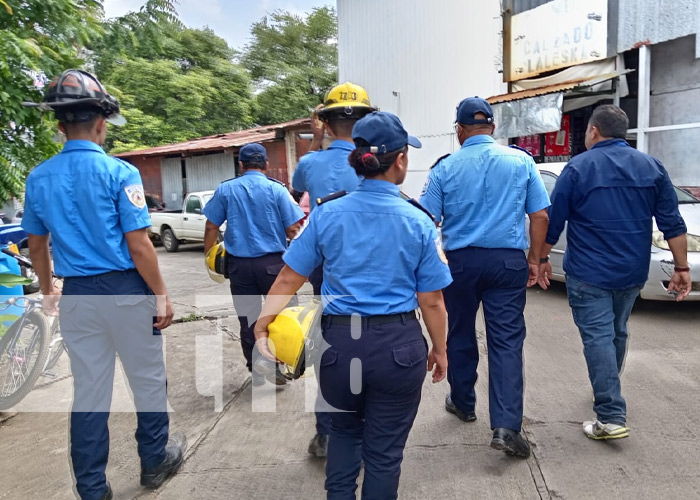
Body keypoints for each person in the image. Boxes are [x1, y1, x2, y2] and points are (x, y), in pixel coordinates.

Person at [254, 111, 452, 499]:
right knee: (384, 455)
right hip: (398, 348)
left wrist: (263, 323)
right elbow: (432, 300)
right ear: (400, 161)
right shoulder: (420, 221)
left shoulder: (327, 212)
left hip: (339, 347)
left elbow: (289, 277)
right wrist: (440, 348)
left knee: (343, 439)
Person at [21, 69, 185, 500]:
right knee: (148, 380)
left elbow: (37, 245)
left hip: (78, 295)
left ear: (59, 126)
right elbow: (140, 246)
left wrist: (48, 290)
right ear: (101, 123)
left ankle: (92, 488)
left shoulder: (39, 178)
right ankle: (154, 462)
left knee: (90, 390)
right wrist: (161, 295)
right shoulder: (120, 172)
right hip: (126, 292)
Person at [538, 104, 691, 440]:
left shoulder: (578, 168)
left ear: (593, 131)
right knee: (617, 331)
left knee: (598, 338)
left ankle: (610, 414)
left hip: (588, 273)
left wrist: (541, 259)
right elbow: (672, 223)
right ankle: (606, 387)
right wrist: (681, 267)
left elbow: (554, 220)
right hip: (630, 273)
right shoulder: (651, 167)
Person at [420, 96, 550, 458]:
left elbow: (426, 219)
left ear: (459, 131)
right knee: (506, 341)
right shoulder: (522, 161)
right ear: (492, 128)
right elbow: (540, 217)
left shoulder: (444, 168)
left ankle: (463, 402)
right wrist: (536, 260)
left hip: (460, 264)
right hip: (508, 263)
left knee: (460, 331)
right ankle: (507, 426)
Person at [290, 82, 375, 457]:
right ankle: (367, 427)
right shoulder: (375, 160)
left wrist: (315, 139)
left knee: (329, 344)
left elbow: (298, 190)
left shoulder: (310, 163)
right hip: (372, 265)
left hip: (324, 266)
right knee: (372, 340)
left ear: (325, 121)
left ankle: (326, 431)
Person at [203, 143, 305, 386]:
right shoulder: (277, 190)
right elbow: (293, 228)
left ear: (241, 165)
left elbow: (211, 226)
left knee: (248, 320)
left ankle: (258, 370)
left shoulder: (226, 190)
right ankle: (281, 365)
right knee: (283, 317)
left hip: (239, 268)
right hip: (274, 267)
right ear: (266, 165)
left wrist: (209, 256)